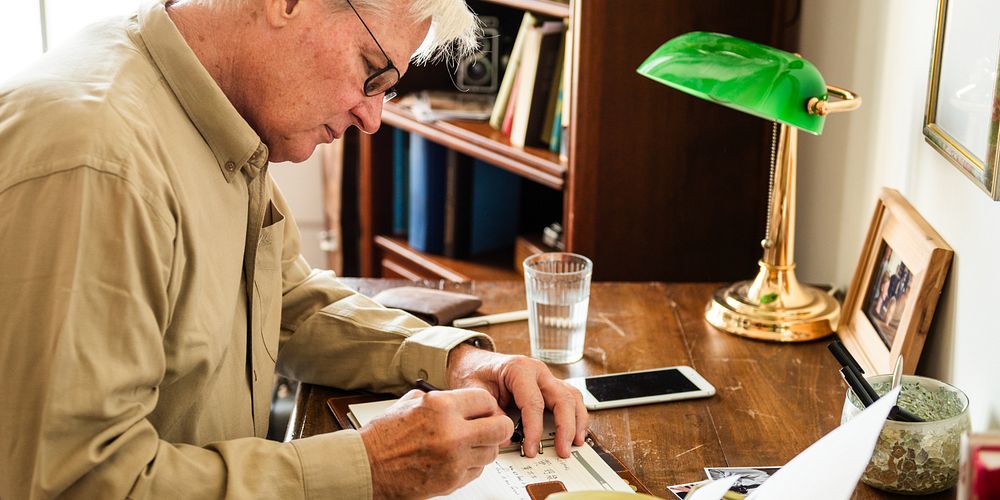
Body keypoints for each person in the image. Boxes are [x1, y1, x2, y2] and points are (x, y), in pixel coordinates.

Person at [0, 0, 587, 498]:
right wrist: (371, 468)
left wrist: (461, 361)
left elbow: (286, 302)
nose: (372, 118)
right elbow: (77, 482)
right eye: (370, 71)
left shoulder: (215, 112)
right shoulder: (98, 161)